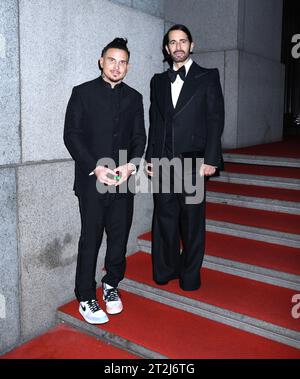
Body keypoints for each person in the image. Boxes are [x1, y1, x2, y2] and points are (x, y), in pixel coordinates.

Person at [64, 38, 146, 324]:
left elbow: (139, 138)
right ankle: (86, 295)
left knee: (119, 238)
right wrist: (95, 167)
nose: (117, 66)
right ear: (101, 61)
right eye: (112, 60)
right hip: (92, 181)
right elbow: (72, 135)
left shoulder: (135, 98)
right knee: (91, 238)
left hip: (124, 180)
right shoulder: (82, 93)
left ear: (128, 66)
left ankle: (111, 285)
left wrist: (131, 166)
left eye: (122, 62)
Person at [145, 25, 224, 291]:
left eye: (183, 41)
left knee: (191, 223)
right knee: (164, 220)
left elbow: (215, 119)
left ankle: (190, 275)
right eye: (173, 42)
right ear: (167, 48)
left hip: (194, 163)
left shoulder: (208, 76)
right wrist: (150, 157)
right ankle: (165, 269)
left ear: (192, 45)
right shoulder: (158, 81)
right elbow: (154, 121)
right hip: (163, 162)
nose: (178, 47)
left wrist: (212, 158)